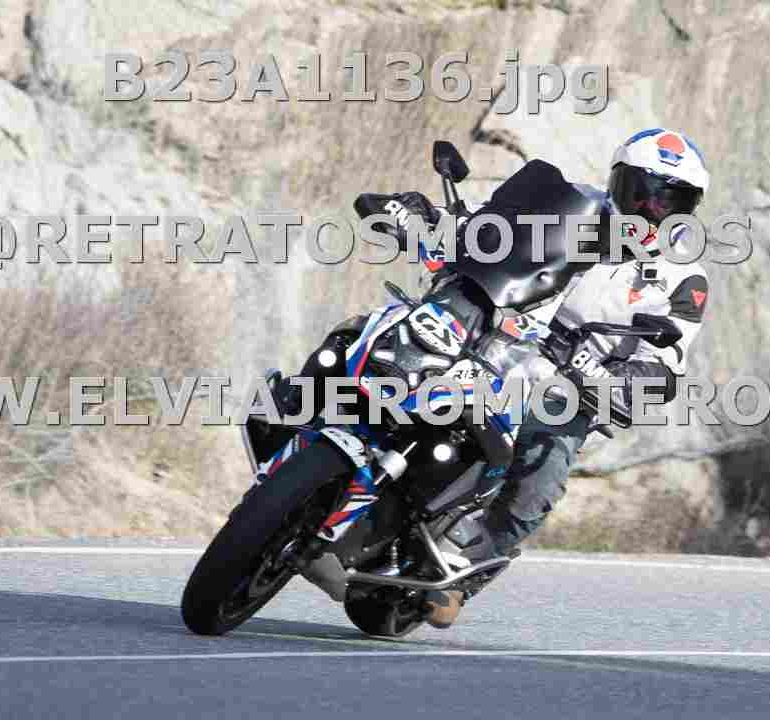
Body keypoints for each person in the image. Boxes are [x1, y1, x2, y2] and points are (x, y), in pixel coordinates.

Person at [281, 128, 711, 629]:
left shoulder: (683, 277)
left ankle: (459, 573)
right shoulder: (568, 205)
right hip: (489, 321)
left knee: (542, 474)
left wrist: (616, 379)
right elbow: (483, 231)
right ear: (618, 181)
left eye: (670, 202)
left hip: (566, 382)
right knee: (364, 332)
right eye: (643, 192)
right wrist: (421, 217)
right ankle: (298, 417)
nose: (651, 210)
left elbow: (663, 364)